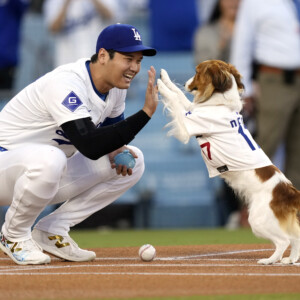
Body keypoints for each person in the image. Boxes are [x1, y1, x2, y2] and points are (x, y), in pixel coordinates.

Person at [0, 23, 157, 266]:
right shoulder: (67, 82)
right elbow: (90, 145)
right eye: (128, 59)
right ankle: (14, 235)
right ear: (103, 55)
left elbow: (111, 137)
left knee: (134, 161)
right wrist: (145, 113)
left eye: (138, 60)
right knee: (51, 158)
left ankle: (52, 230)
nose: (134, 68)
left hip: (43, 174)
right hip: (6, 166)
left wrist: (118, 150)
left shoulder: (115, 89)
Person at [230, 0, 300, 191]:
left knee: (297, 153)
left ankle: (293, 215)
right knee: (266, 148)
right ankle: (250, 208)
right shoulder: (253, 3)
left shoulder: (289, 3)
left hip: (297, 79)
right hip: (273, 79)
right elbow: (242, 44)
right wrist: (243, 89)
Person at [193, 0, 243, 228]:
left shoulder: (251, 26)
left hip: (251, 102)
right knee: (226, 159)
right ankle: (234, 213)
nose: (234, 2)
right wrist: (224, 43)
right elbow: (203, 70)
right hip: (218, 106)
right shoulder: (207, 33)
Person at [43, 0, 116, 66]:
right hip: (69, 60)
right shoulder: (53, 2)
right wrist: (66, 3)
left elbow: (110, 15)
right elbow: (53, 29)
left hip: (96, 56)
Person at [0, 0, 29, 95]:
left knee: (4, 100)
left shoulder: (13, 4)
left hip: (6, 61)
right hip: (7, 59)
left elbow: (23, 7)